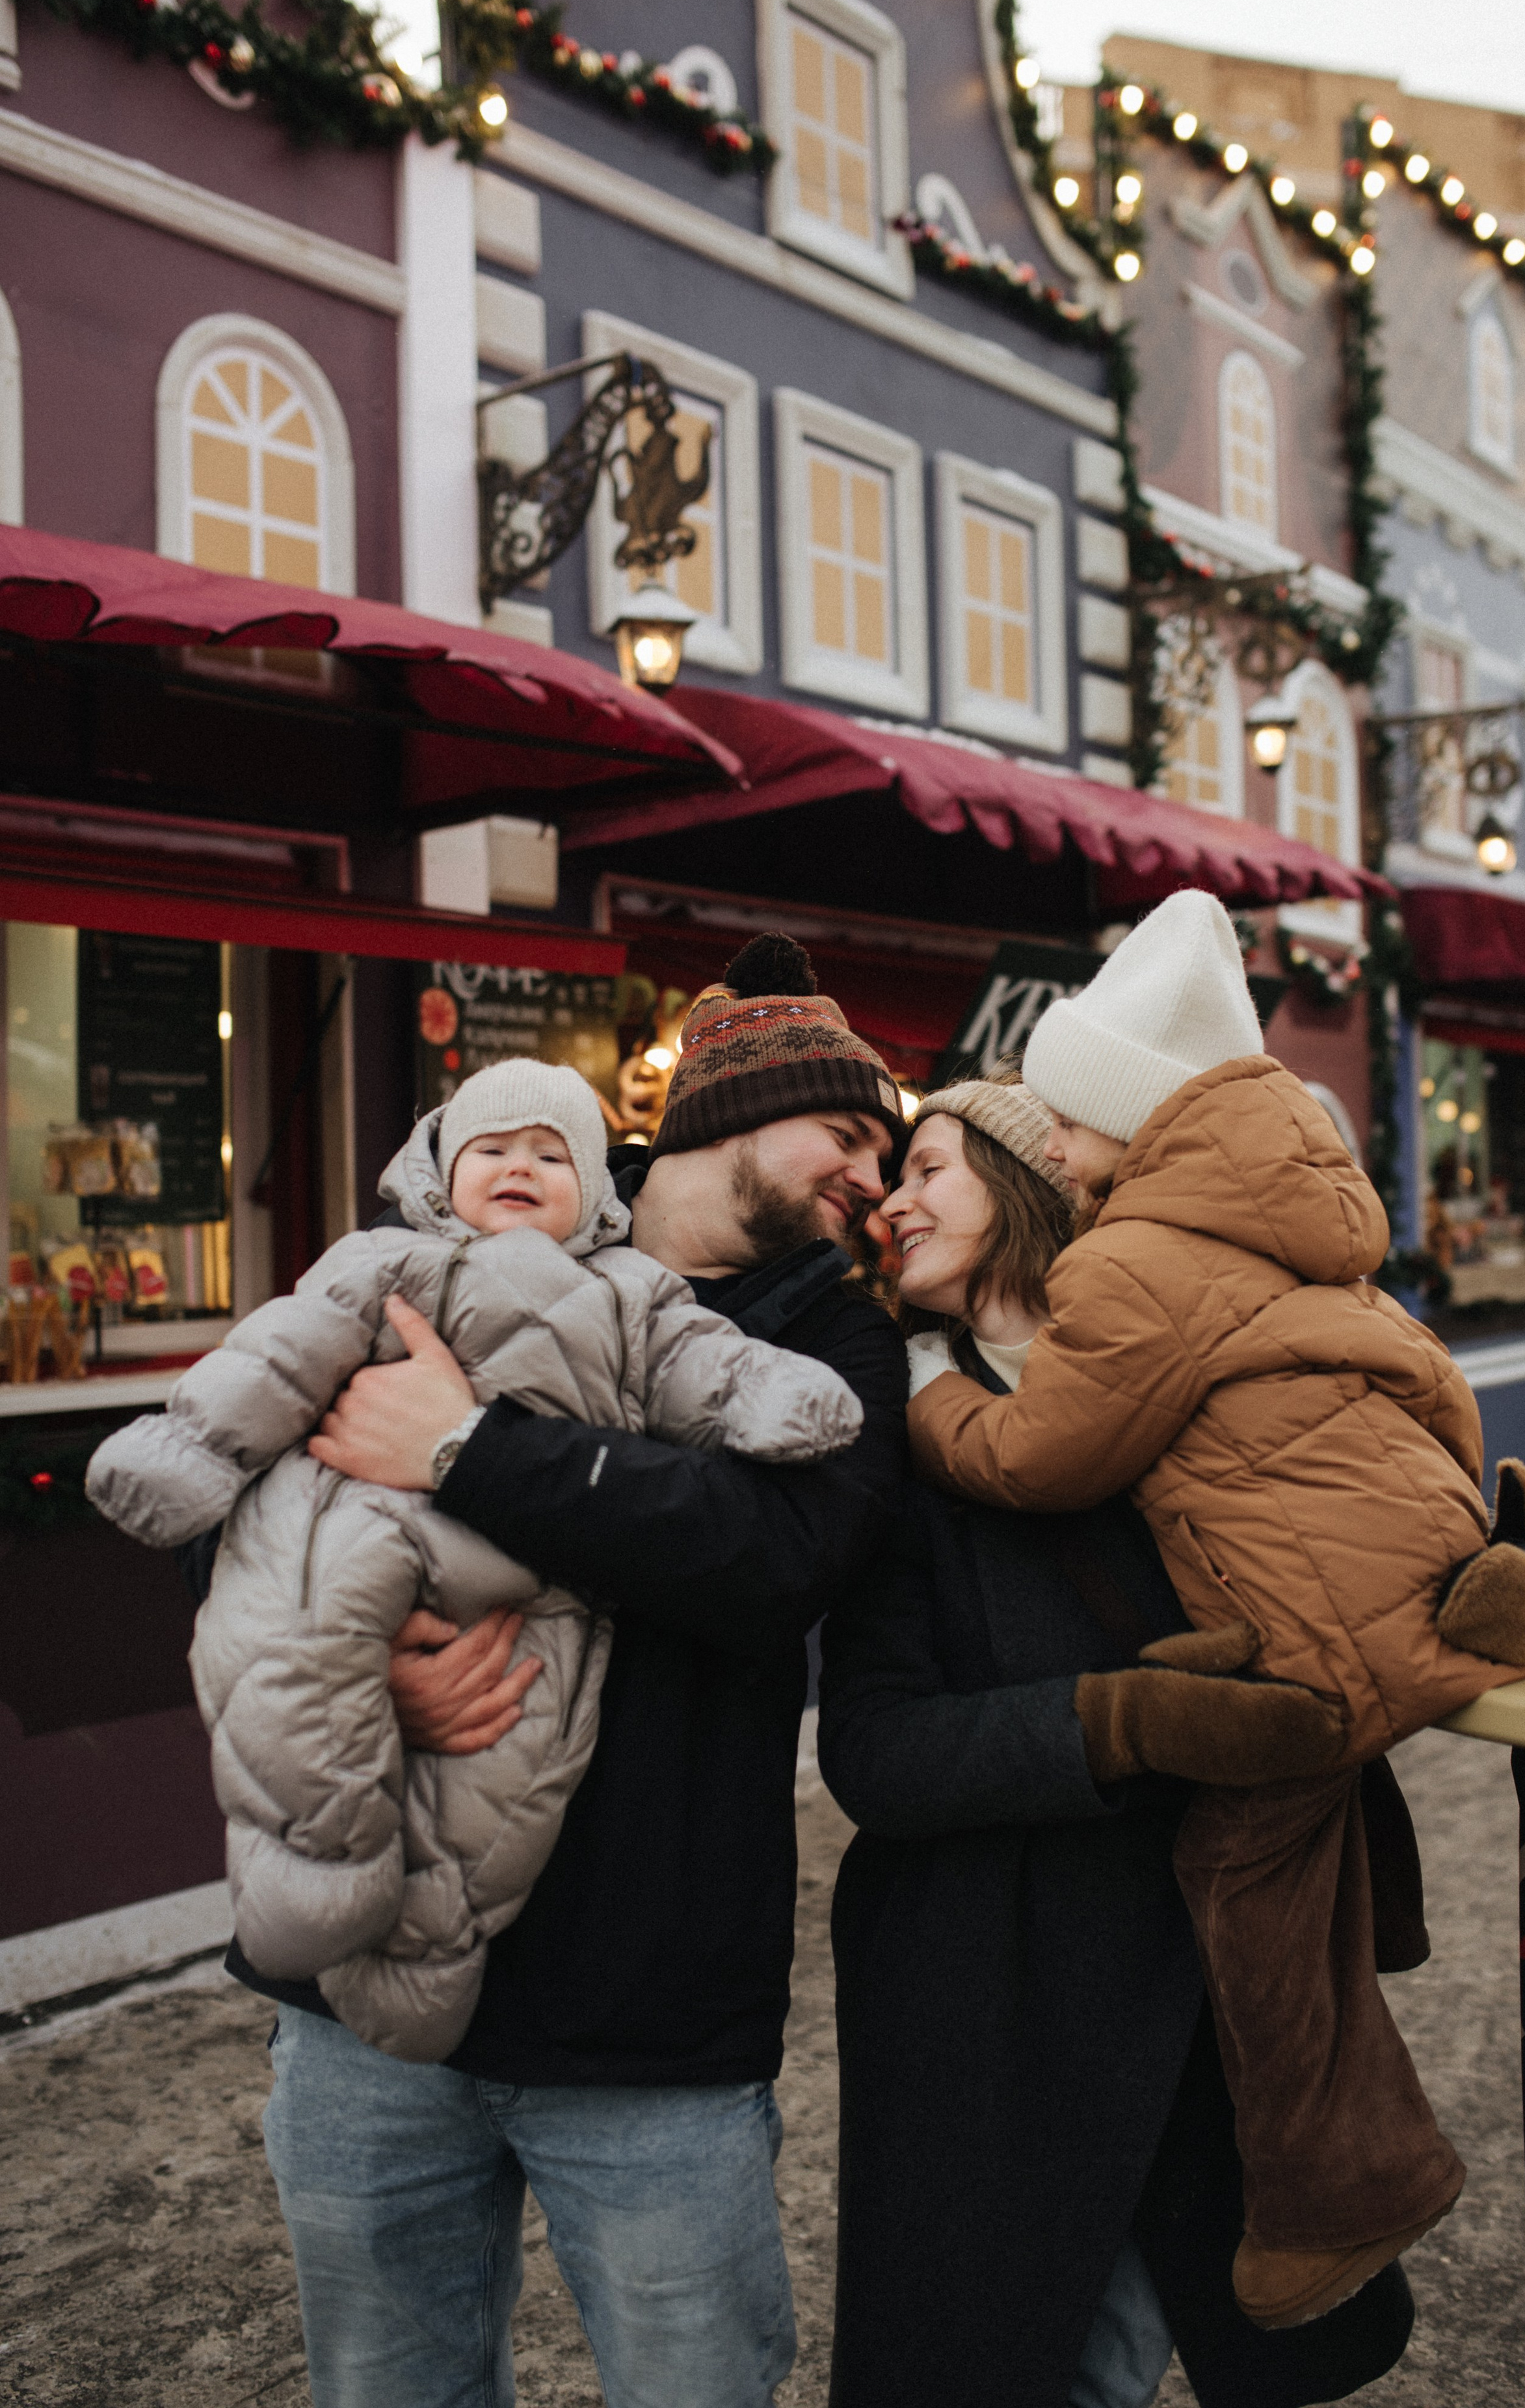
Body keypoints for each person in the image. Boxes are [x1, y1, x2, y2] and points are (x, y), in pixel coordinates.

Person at [185, 935, 910, 2408]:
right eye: (848, 1134)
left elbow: (771, 1562)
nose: (872, 1179)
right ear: (726, 1115)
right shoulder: (467, 1225)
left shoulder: (835, 1341)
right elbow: (238, 1485)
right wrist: (366, 1665)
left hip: (643, 2022)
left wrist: (466, 1448)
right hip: (365, 1991)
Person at [905, 892, 1525, 2332]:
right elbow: (1430, 1380)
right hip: (1427, 1548)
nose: (1062, 1146)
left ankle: (1342, 2189)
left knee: (1242, 1867)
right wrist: (1459, 1518)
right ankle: (1506, 1579)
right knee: (1317, 1800)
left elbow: (1042, 1458)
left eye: (1073, 1118)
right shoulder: (1305, 1224)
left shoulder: (1129, 1257)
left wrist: (933, 1401)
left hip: (1314, 1638)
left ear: (1129, 1121)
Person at [818, 1075, 1419, 2408]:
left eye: (928, 1166)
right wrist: (1116, 1725)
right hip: (991, 1997)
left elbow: (1371, 1569)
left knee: (1234, 2348)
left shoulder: (1209, 1390)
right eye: (887, 1180)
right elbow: (872, 1753)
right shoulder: (898, 1445)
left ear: (1030, 1181)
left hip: (1212, 1986)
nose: (890, 1202)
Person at [87, 1058, 864, 2065]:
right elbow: (280, 1353)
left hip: (513, 1572)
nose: (519, 1167)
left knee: (510, 1754)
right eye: (491, 1150)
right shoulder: (388, 1261)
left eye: (552, 1155)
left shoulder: (632, 1291)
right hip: (349, 1516)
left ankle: (421, 1966)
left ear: (595, 1191)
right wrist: (196, 1447)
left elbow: (703, 1366)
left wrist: (779, 1395)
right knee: (284, 1645)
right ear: (439, 1174)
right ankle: (306, 1883)